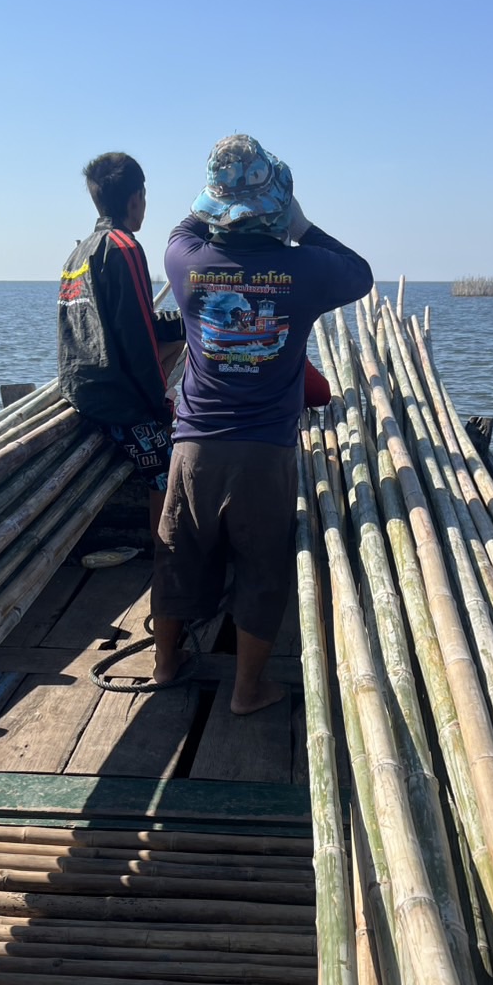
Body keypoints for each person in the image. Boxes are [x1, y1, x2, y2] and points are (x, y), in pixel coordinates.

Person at [154, 134, 372, 714]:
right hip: (265, 454)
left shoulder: (187, 261)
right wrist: (300, 225)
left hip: (194, 447)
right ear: (278, 206)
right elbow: (361, 273)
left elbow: (184, 227)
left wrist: (218, 194)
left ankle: (166, 663)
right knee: (261, 569)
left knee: (179, 555)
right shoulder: (306, 269)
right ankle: (247, 690)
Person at [57, 152, 185, 527]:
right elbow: (137, 338)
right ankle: (167, 554)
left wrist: (187, 321)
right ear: (136, 198)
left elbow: (125, 322)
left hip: (81, 385)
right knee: (171, 472)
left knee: (180, 336)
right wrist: (158, 406)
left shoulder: (79, 253)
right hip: (114, 398)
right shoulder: (124, 248)